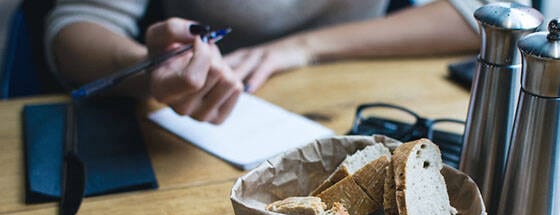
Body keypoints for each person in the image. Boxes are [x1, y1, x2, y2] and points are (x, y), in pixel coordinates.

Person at [45, 0, 529, 124]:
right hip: (180, 129)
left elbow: (490, 14)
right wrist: (148, 71)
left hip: (342, 102)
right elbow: (75, 29)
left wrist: (304, 48)